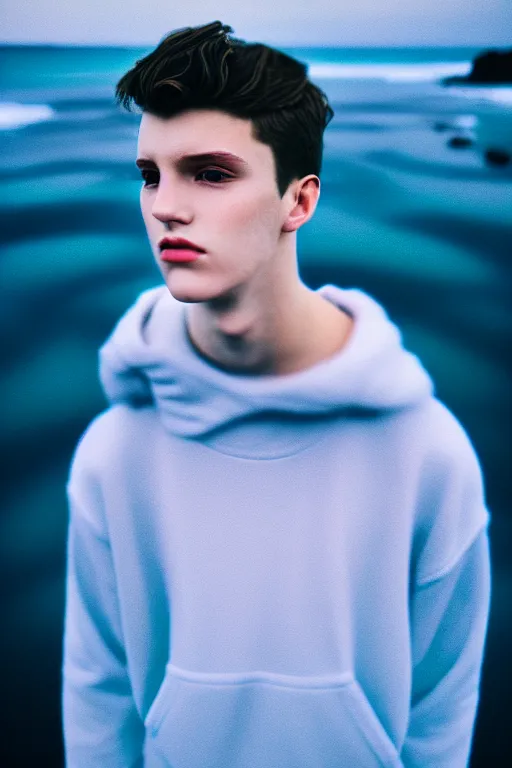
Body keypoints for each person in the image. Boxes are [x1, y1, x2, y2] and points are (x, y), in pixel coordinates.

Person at [61, 20, 492, 768]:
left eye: (211, 173)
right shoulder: (113, 454)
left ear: (299, 202)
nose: (165, 205)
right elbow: (97, 697)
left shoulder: (428, 454)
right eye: (150, 174)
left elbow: (441, 709)